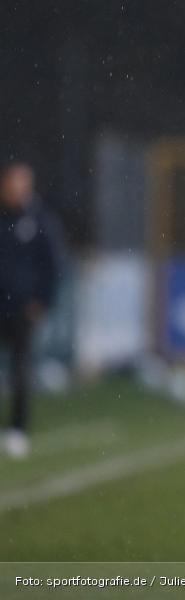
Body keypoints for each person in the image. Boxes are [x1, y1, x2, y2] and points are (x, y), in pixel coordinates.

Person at [0, 161, 64, 459]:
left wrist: (42, 299)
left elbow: (52, 265)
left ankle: (17, 429)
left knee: (20, 369)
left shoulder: (39, 220)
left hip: (22, 308)